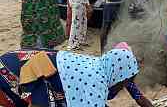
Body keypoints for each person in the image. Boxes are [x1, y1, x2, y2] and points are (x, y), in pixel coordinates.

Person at [0, 46, 154, 107]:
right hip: (17, 73)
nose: (129, 84)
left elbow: (138, 95)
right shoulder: (96, 82)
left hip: (20, 60)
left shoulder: (108, 67)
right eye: (127, 81)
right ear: (121, 76)